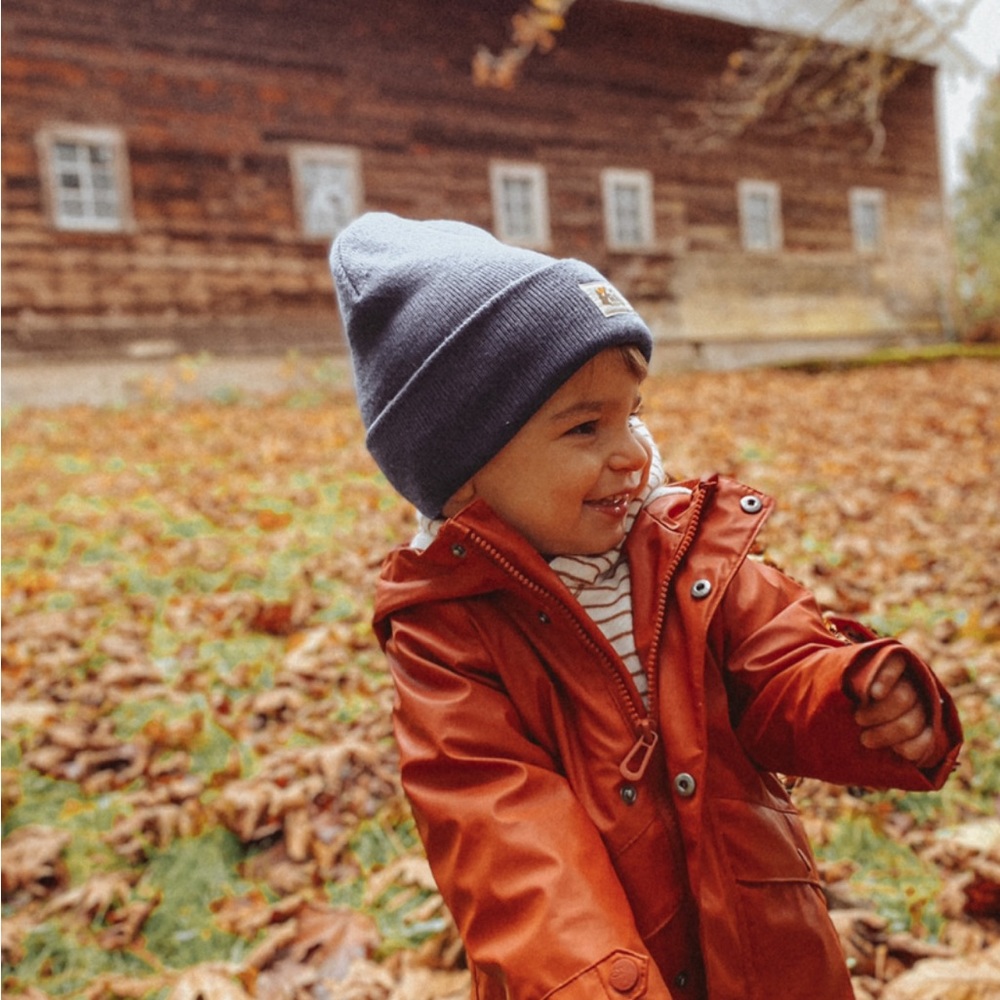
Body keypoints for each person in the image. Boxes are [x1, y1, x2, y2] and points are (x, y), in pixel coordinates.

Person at [329, 212, 963, 1000]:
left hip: (770, 957)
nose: (633, 452)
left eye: (632, 412)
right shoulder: (451, 637)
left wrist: (855, 697)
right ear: (465, 472)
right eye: (587, 426)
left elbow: (780, 664)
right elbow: (505, 841)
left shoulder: (685, 553)